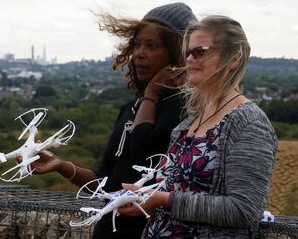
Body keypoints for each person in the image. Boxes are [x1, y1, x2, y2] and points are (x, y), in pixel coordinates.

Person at [26, 3, 197, 238]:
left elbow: (140, 145)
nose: (139, 53)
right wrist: (61, 166)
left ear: (177, 52)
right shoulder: (131, 108)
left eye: (152, 45)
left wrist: (152, 93)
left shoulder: (187, 110)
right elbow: (106, 183)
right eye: (136, 44)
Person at [118, 15, 278, 238]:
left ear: (233, 58)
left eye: (200, 51)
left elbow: (244, 209)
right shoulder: (188, 123)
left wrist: (164, 200)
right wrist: (145, 195)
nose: (190, 59)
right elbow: (178, 189)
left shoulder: (249, 123)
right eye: (188, 53)